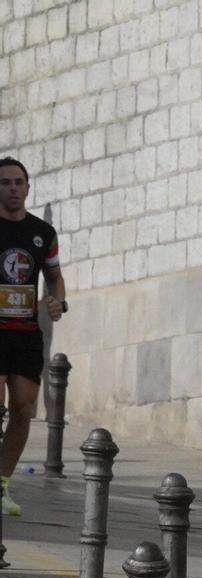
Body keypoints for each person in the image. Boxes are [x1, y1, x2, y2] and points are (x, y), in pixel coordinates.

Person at [0, 157, 65, 519]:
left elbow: (54, 277)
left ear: (27, 188)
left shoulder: (42, 233)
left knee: (23, 409)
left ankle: (2, 483)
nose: (12, 188)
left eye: (18, 183)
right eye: (5, 183)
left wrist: (57, 301)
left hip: (25, 333)